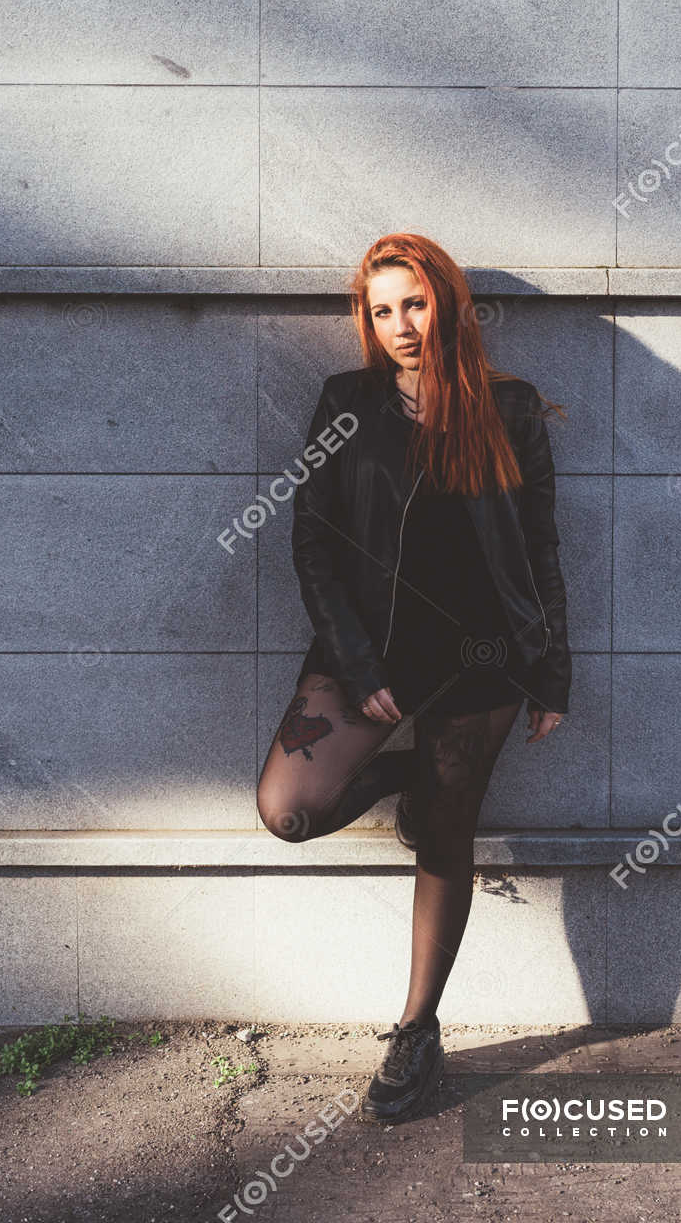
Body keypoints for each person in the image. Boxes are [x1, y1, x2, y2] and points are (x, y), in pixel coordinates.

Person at [256, 231, 571, 1125]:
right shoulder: (345, 402)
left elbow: (539, 548)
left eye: (414, 303)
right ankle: (401, 779)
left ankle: (416, 1028)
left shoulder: (506, 408)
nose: (398, 324)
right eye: (381, 309)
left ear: (447, 304)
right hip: (370, 649)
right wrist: (354, 662)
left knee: (445, 836)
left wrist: (551, 675)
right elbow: (310, 538)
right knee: (292, 809)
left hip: (483, 658)